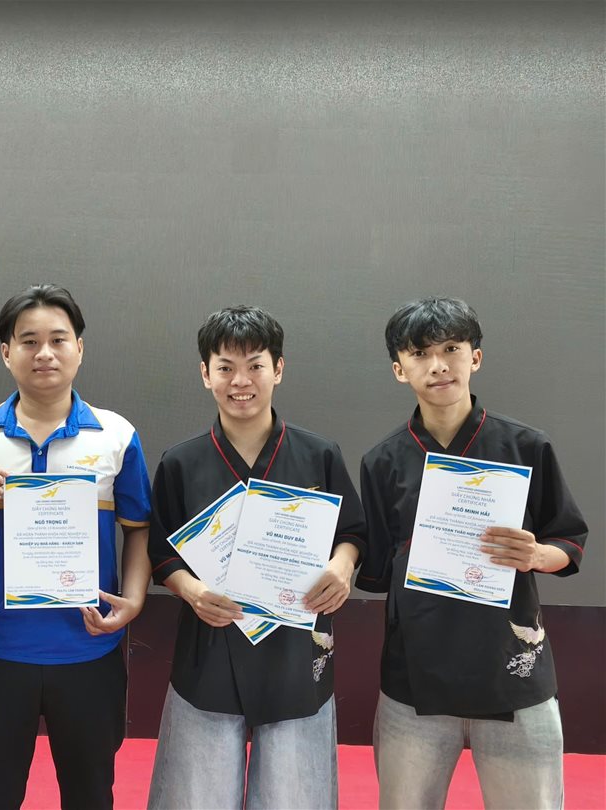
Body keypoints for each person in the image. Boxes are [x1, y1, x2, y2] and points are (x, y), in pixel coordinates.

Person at [356, 296, 588, 809]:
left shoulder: (526, 446)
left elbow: (569, 541)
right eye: (420, 354)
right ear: (399, 369)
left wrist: (536, 555)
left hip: (513, 671)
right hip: (414, 679)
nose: (438, 365)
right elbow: (371, 569)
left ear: (475, 357)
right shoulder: (382, 462)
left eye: (451, 349)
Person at [146, 305, 366, 810]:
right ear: (205, 374)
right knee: (196, 798)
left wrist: (341, 567)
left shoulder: (319, 454)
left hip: (296, 649)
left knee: (295, 798)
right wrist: (192, 591)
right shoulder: (181, 462)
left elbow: (352, 531)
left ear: (278, 369)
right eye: (225, 367)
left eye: (255, 366)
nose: (240, 381)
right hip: (210, 646)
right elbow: (161, 554)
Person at [0, 284, 152, 810]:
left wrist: (134, 600)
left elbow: (139, 528)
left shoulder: (115, 435)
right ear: (6, 352)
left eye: (58, 340)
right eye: (29, 341)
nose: (44, 353)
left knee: (90, 796)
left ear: (79, 348)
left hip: (89, 647)